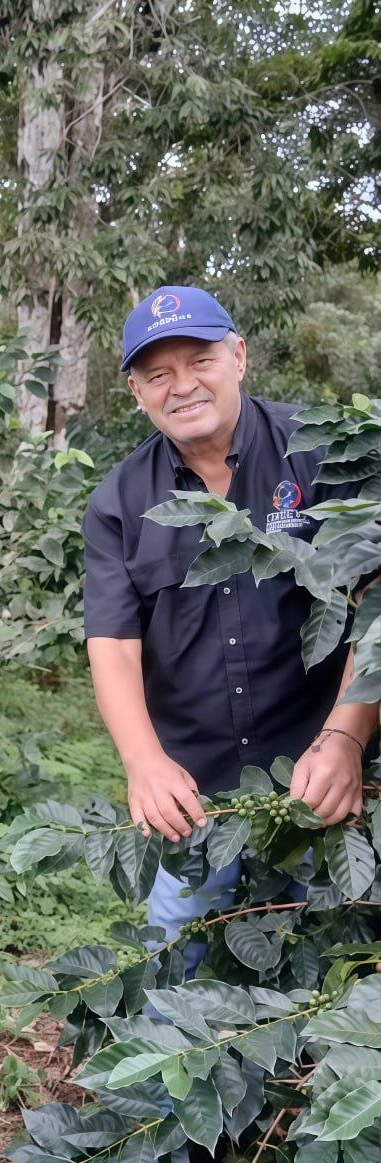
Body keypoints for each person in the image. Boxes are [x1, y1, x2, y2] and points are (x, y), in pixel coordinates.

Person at [83, 285, 378, 971]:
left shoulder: (323, 454)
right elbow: (114, 643)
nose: (182, 386)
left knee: (329, 970)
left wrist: (345, 738)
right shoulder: (118, 502)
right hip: (195, 793)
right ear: (136, 391)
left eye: (201, 361)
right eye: (158, 373)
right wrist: (143, 763)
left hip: (320, 782)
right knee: (176, 966)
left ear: (239, 356)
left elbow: (374, 602)